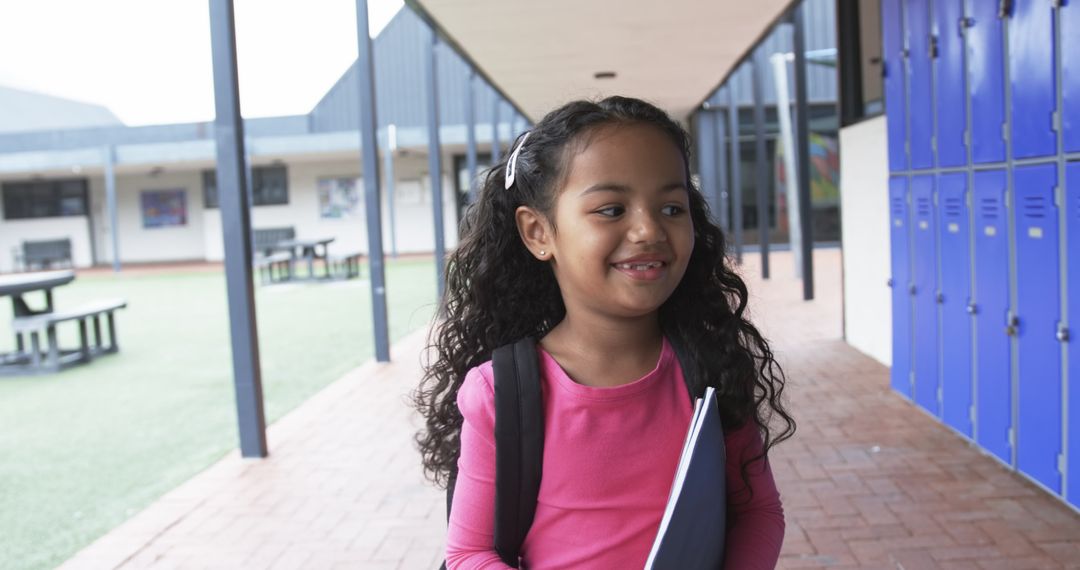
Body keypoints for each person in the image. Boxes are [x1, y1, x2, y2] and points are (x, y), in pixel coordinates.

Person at [413, 96, 795, 569]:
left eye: (673, 208)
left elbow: (758, 512)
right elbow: (470, 553)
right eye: (612, 210)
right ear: (538, 233)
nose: (648, 230)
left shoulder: (711, 365)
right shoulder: (504, 392)